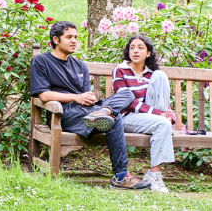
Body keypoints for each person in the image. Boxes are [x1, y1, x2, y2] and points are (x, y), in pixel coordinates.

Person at [30, 21, 140, 189]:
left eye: (75, 37)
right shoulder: (41, 61)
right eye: (69, 37)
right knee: (115, 117)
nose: (74, 40)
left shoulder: (79, 65)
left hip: (88, 112)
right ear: (56, 40)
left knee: (127, 93)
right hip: (64, 113)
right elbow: (43, 94)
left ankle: (102, 112)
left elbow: (85, 95)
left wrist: (88, 99)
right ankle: (121, 176)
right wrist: (77, 98)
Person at [112, 35, 178, 193]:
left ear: (148, 53)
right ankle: (154, 176)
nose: (135, 51)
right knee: (162, 124)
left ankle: (154, 175)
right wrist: (158, 115)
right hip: (126, 117)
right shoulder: (120, 70)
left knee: (161, 76)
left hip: (148, 117)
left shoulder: (152, 75)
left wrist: (168, 115)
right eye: (132, 47)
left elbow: (162, 100)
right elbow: (127, 101)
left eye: (140, 48)